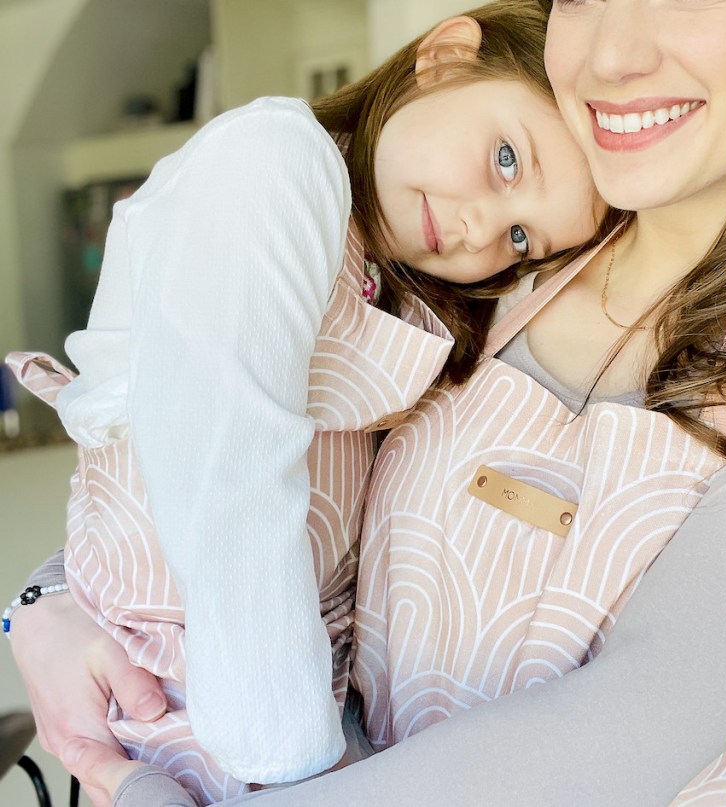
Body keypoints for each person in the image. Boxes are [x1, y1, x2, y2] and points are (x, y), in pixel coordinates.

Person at [10, 0, 726, 805]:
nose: (613, 55)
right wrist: (49, 608)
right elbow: (240, 456)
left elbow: (619, 736)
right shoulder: (481, 268)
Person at [3, 2, 603, 804]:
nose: (477, 228)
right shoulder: (274, 160)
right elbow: (227, 462)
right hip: (201, 696)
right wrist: (304, 768)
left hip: (280, 691)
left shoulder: (400, 290)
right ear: (448, 55)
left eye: (523, 237)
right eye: (504, 159)